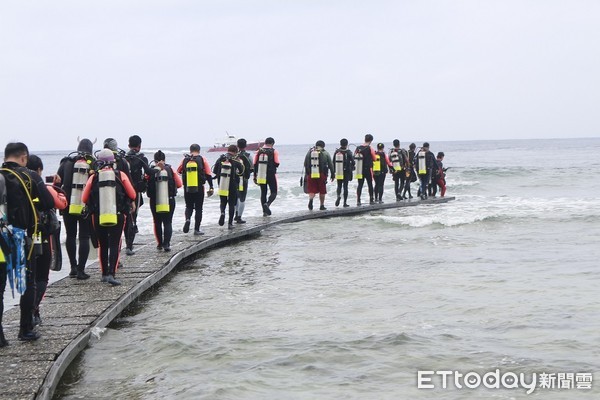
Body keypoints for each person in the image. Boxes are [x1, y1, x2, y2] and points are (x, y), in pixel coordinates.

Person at [1, 142, 55, 342]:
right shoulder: (30, 176)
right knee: (28, 284)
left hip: (0, 238)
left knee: (0, 287)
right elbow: (49, 203)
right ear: (24, 158)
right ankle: (25, 330)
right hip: (23, 238)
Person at [82, 149, 136, 286]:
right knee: (114, 244)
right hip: (117, 215)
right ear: (113, 161)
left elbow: (84, 198)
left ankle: (104, 274)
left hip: (98, 216)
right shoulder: (120, 175)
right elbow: (133, 194)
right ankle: (112, 273)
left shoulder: (94, 177)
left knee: (103, 245)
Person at [26, 155, 68, 326]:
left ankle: (28, 312)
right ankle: (34, 310)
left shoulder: (15, 185)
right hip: (40, 235)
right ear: (38, 170)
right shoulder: (42, 186)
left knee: (28, 276)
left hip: (21, 235)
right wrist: (56, 187)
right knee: (42, 276)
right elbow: (60, 203)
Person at [55, 138, 95, 280]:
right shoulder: (92, 164)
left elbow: (56, 184)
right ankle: (81, 270)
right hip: (84, 205)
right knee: (84, 236)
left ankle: (72, 267)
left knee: (71, 236)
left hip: (68, 206)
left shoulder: (65, 163)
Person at [123, 135, 153, 256]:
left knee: (126, 218)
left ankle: (127, 243)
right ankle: (129, 246)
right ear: (139, 146)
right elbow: (149, 172)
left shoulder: (123, 158)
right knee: (133, 218)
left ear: (129, 145)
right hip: (135, 192)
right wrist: (158, 169)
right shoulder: (141, 158)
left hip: (124, 191)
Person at [146, 150, 182, 252]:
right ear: (164, 159)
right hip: (169, 200)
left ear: (154, 160)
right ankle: (167, 244)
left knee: (157, 222)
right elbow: (179, 184)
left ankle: (159, 244)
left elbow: (145, 182)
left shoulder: (151, 171)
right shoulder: (170, 169)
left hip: (154, 200)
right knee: (168, 222)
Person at [177, 144, 214, 235]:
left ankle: (188, 219)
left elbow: (178, 171)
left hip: (187, 187)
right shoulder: (202, 159)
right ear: (199, 150)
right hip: (199, 187)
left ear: (190, 150)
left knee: (188, 206)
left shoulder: (185, 160)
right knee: (198, 208)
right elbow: (208, 174)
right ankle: (196, 230)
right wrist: (211, 186)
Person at [213, 145, 245, 229]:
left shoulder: (220, 159)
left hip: (222, 184)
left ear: (228, 150)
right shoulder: (235, 161)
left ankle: (222, 213)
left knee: (223, 201)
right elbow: (241, 172)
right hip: (232, 185)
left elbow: (214, 171)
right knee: (231, 204)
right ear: (235, 152)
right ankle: (230, 224)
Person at [303, 140, 334, 210]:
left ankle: (311, 200)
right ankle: (322, 205)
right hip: (322, 174)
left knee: (312, 190)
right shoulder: (325, 153)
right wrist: (332, 174)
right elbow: (330, 164)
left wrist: (307, 174)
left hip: (311, 174)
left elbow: (305, 164)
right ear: (323, 146)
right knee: (322, 190)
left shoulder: (309, 152)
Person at [253, 137, 280, 216]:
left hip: (261, 175)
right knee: (274, 192)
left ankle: (264, 212)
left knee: (263, 193)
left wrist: (255, 176)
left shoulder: (258, 152)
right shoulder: (274, 151)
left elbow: (254, 164)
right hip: (271, 174)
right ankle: (267, 204)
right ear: (272, 144)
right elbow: (277, 163)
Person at [354, 134, 377, 205]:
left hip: (359, 169)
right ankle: (371, 200)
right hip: (368, 169)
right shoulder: (370, 148)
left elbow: (355, 156)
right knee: (370, 184)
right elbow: (374, 158)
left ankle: (358, 200)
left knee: (360, 184)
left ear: (365, 139)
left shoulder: (358, 148)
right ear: (371, 140)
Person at [235, 138, 253, 224]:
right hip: (244, 179)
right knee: (242, 198)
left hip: (234, 179)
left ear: (237, 145)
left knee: (236, 197)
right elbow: (252, 167)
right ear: (246, 145)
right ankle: (239, 217)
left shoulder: (234, 155)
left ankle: (235, 214)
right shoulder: (248, 156)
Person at [333, 138, 354, 208]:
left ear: (340, 144)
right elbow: (353, 162)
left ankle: (338, 196)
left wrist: (333, 172)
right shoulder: (348, 152)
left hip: (339, 171)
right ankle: (345, 202)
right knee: (345, 186)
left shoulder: (337, 152)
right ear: (347, 144)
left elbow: (333, 162)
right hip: (346, 172)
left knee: (339, 185)